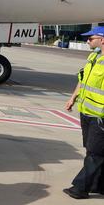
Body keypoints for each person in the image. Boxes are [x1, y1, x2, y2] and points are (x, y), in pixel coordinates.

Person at [64, 26, 104, 199]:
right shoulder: (93, 56)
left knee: (95, 153)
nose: (87, 41)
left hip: (100, 116)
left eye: (90, 38)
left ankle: (80, 188)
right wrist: (72, 98)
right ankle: (98, 185)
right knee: (92, 150)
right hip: (86, 111)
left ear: (102, 39)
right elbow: (82, 79)